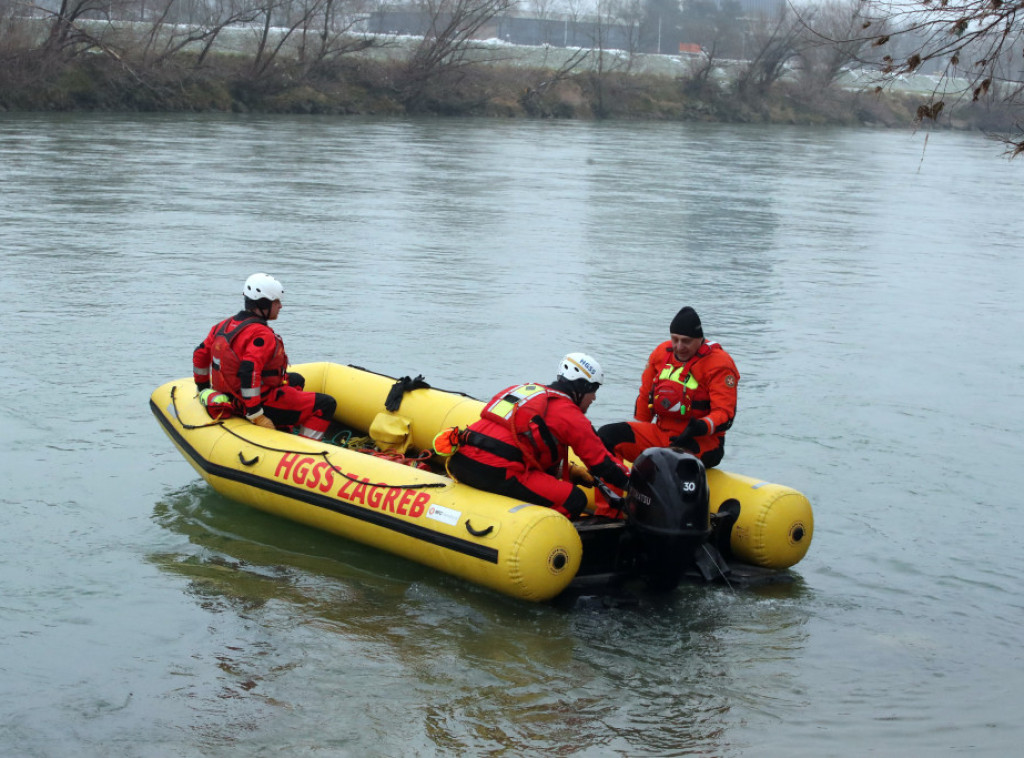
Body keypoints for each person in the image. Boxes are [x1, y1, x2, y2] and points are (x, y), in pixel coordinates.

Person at [446, 353, 630, 519]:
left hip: (461, 460)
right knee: (574, 499)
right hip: (497, 471)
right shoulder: (570, 415)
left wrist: (569, 472)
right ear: (582, 387)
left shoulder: (524, 391)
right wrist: (634, 484)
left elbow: (517, 441)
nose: (594, 399)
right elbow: (602, 464)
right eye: (593, 391)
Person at [192, 273, 337, 441]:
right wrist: (256, 414)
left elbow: (200, 353)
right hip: (254, 402)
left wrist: (204, 389)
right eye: (276, 302)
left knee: (297, 380)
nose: (281, 306)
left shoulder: (223, 326)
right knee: (325, 404)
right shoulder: (261, 334)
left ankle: (283, 430)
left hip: (231, 396)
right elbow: (249, 370)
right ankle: (305, 447)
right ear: (263, 304)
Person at [598, 306, 739, 469]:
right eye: (675, 339)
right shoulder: (661, 354)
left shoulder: (719, 365)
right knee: (607, 436)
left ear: (700, 339)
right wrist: (641, 425)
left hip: (702, 441)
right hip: (662, 433)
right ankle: (615, 491)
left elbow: (725, 414)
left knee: (669, 459)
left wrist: (700, 426)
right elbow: (645, 395)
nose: (679, 347)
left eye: (686, 341)